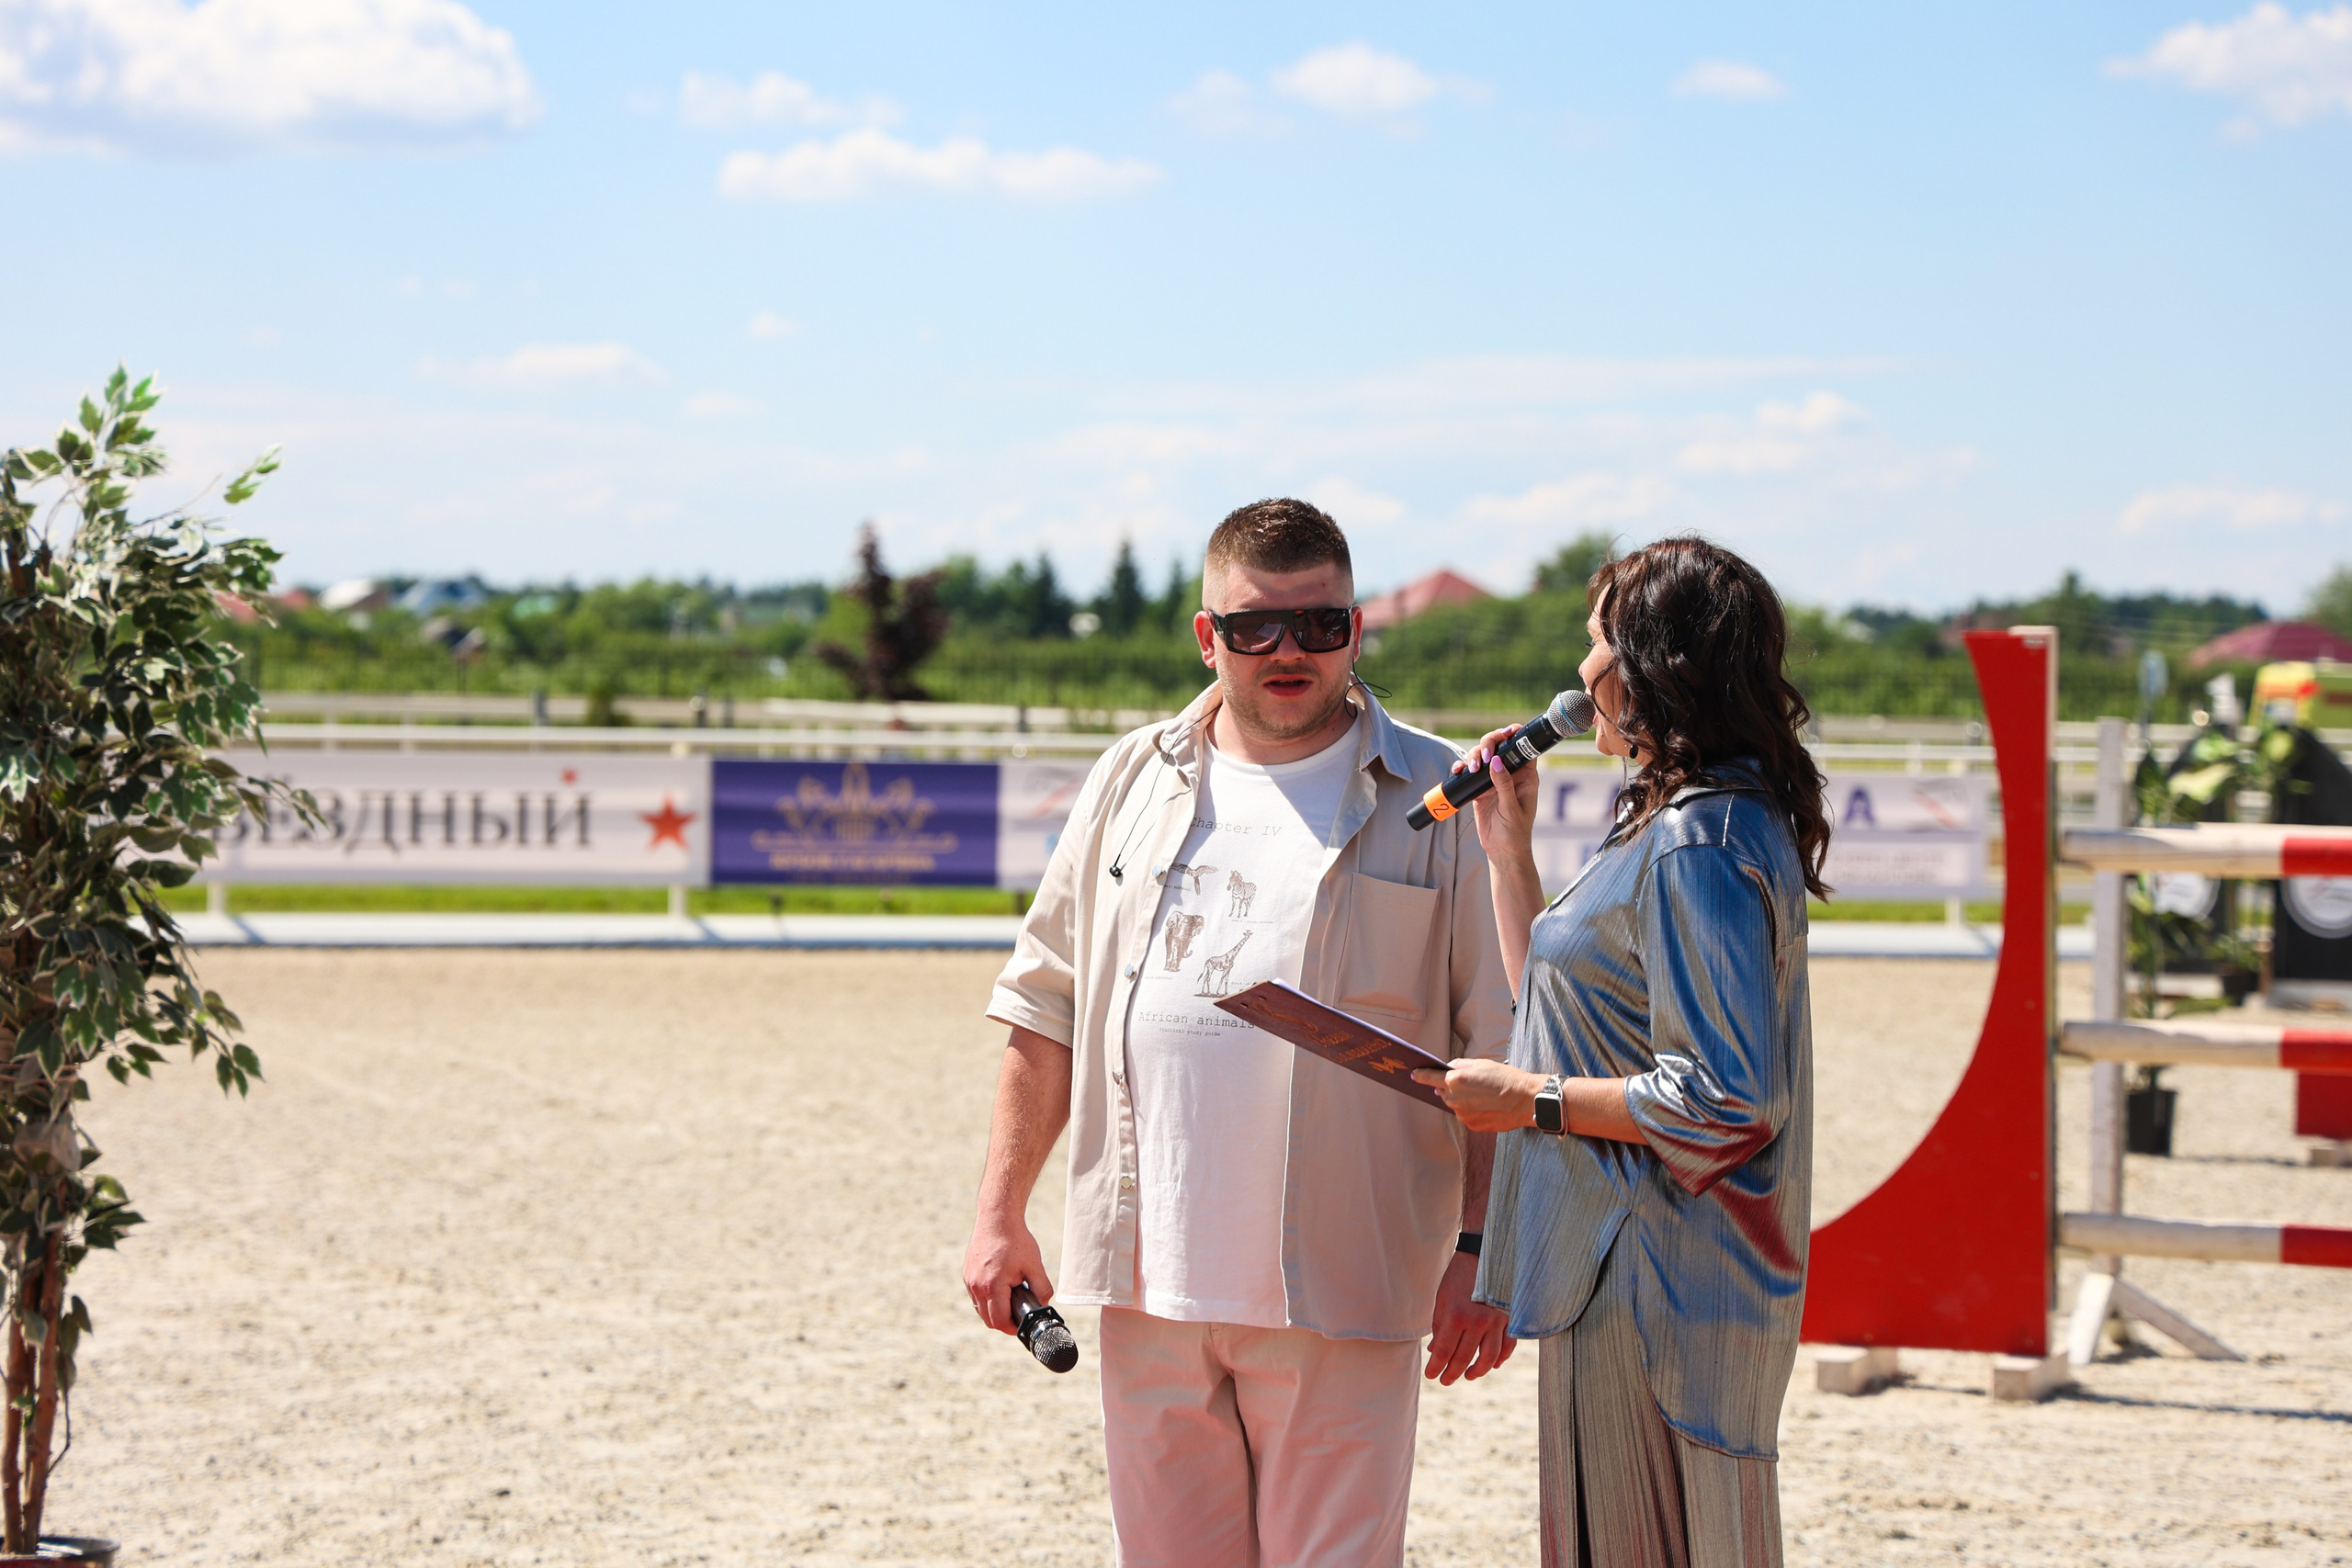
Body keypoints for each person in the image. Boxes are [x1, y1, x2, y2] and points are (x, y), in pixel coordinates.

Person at [965, 498, 1517, 1568]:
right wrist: (998, 1213)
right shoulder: (1129, 776)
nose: (1289, 650)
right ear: (1206, 636)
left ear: (1356, 628)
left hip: (1345, 1287)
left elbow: (1494, 1044)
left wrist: (1480, 1249)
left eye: (1319, 624)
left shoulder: (1442, 796)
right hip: (1142, 1282)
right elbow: (1044, 1007)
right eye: (1256, 626)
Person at [1412, 536, 1826, 1568]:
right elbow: (1562, 1015)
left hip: (1656, 1280)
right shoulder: (1680, 820)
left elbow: (1724, 1098)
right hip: (1624, 1270)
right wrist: (1508, 853)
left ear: (1650, 666)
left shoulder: (1699, 840)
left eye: (1597, 643)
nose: (1580, 669)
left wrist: (1530, 1102)